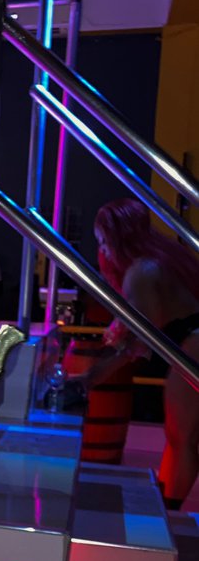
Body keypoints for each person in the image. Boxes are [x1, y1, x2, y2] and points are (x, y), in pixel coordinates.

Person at [76, 197, 199, 508]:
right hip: (191, 342)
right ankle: (167, 502)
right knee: (180, 435)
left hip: (194, 344)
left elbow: (143, 338)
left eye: (104, 241)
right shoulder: (159, 261)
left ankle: (170, 510)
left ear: (119, 237)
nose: (103, 250)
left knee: (182, 437)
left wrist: (97, 373)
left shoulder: (141, 271)